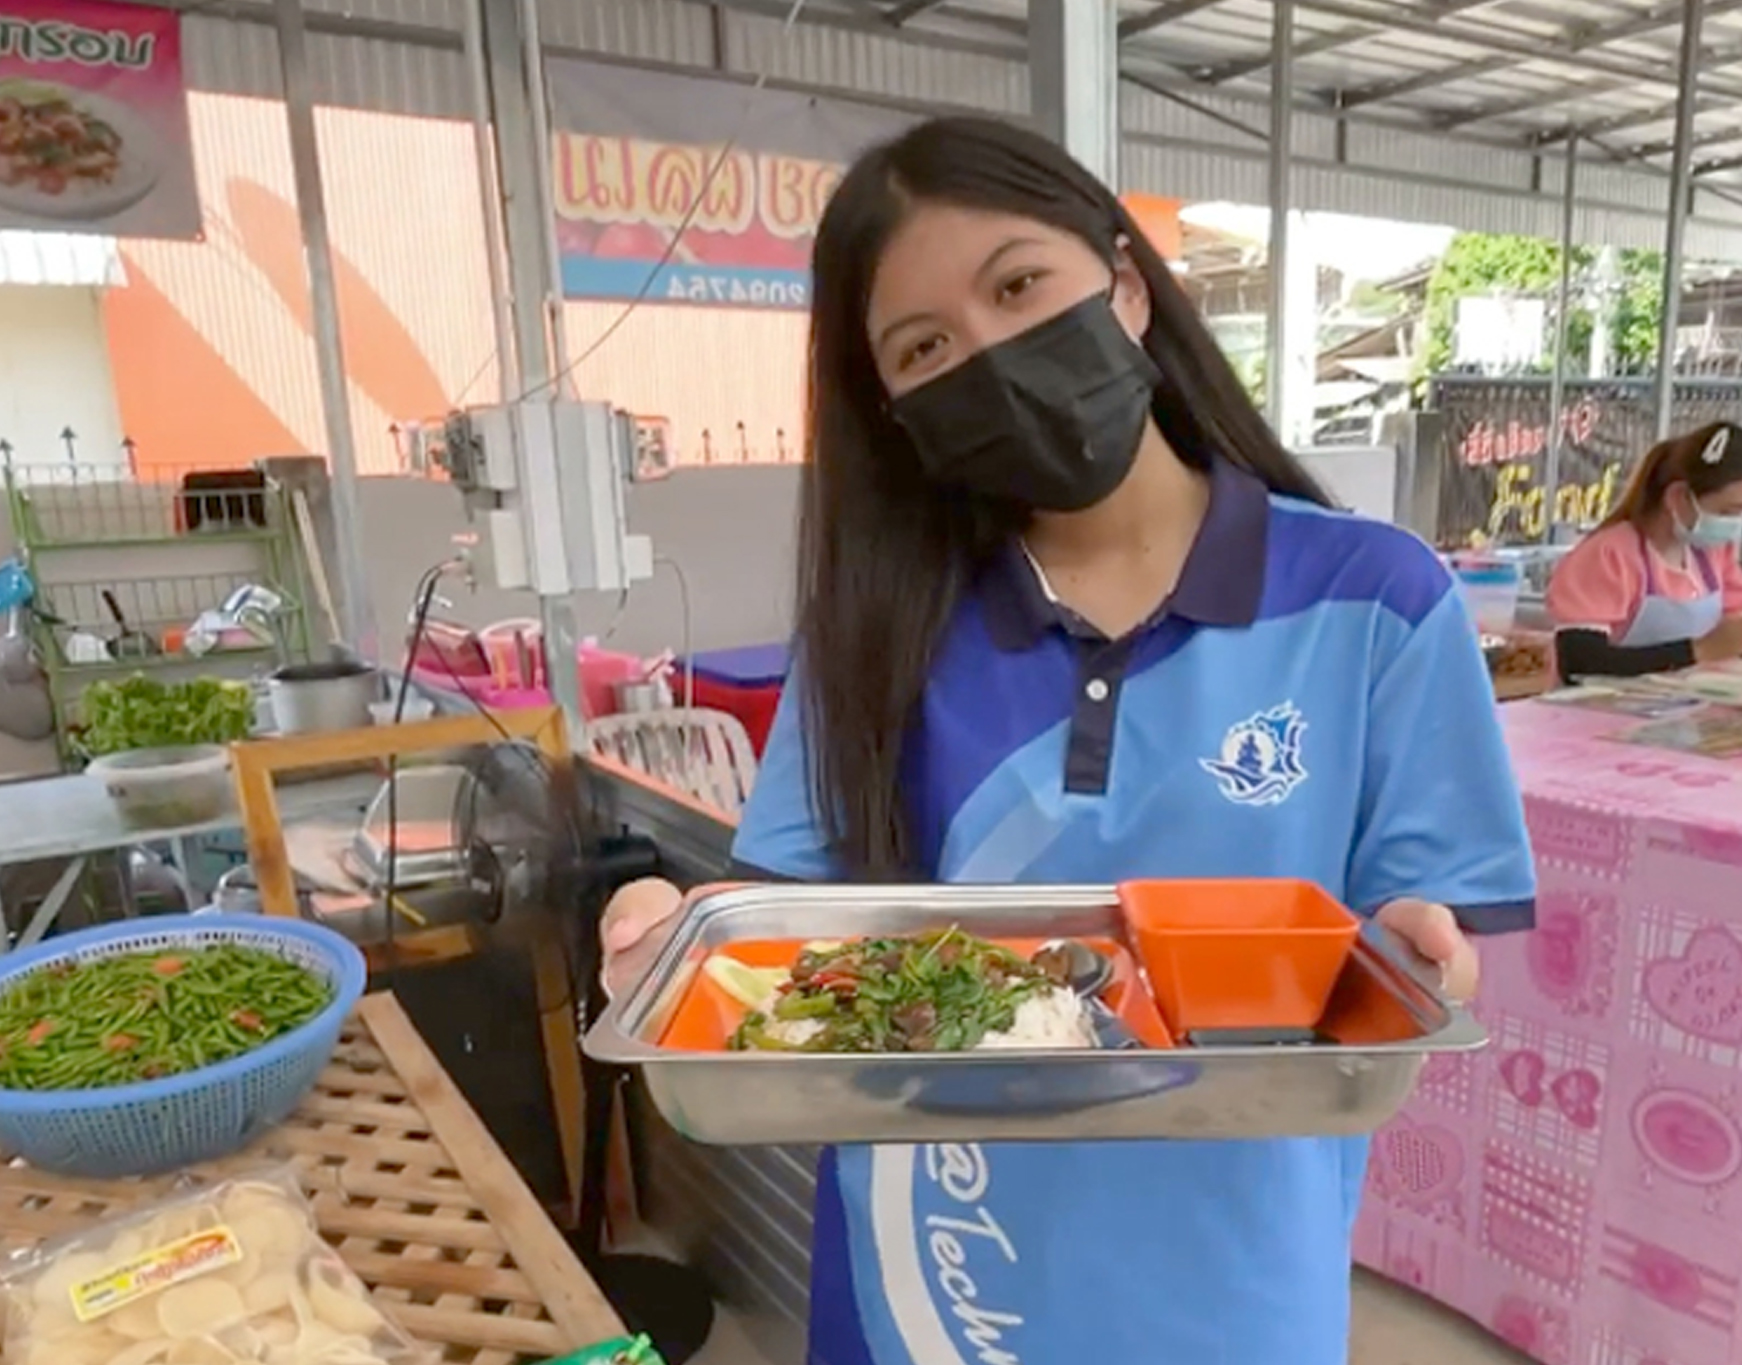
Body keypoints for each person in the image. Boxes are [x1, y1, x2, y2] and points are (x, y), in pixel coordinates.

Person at [602, 116, 1535, 1365]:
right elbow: (780, 930)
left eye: (1018, 286)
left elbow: (1422, 934)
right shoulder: (875, 631)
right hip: (927, 1274)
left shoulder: (1373, 602)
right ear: (896, 412)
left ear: (1127, 287)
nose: (991, 354)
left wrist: (1429, 956)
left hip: (1228, 1277)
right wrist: (669, 936)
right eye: (925, 346)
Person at [1545, 421, 1742, 680]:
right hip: (1600, 713)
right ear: (1678, 497)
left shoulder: (1711, 554)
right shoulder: (1608, 556)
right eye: (1728, 511)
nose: (1738, 523)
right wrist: (1700, 649)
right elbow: (1580, 662)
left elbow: (1734, 625)